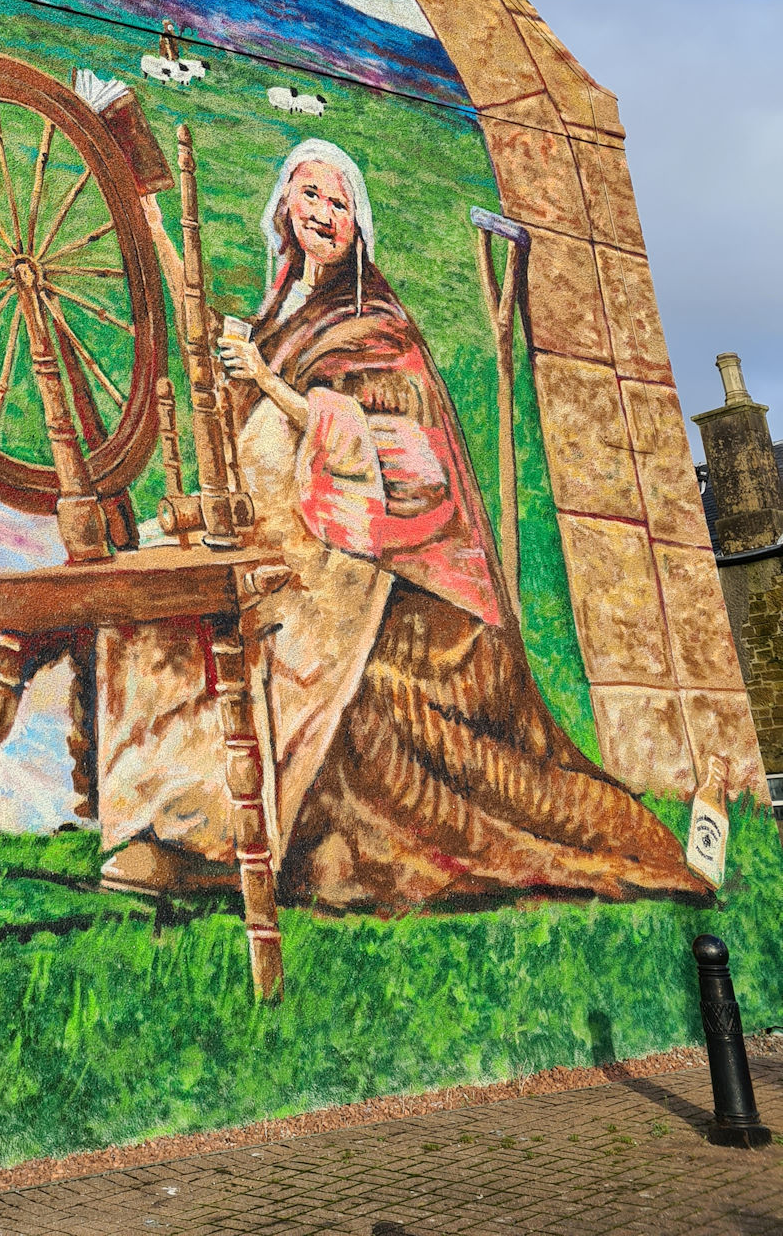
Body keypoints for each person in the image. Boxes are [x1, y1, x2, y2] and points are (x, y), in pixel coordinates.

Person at [97, 139, 706, 911]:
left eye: (339, 203)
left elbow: (392, 452)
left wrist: (266, 382)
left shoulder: (376, 325)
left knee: (301, 662)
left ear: (358, 227)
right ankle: (179, 832)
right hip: (283, 537)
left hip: (370, 566)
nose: (322, 213)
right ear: (284, 204)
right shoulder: (282, 310)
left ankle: (226, 846)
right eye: (309, 195)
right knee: (152, 600)